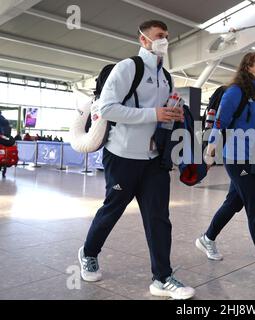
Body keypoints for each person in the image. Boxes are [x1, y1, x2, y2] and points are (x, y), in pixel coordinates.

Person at [78, 20, 195, 300]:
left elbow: (161, 115)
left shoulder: (167, 76)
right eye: (158, 36)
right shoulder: (128, 68)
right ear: (143, 40)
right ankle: (88, 252)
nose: (164, 41)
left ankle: (162, 277)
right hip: (122, 156)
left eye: (166, 37)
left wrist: (171, 115)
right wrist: (154, 114)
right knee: (112, 210)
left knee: (158, 218)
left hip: (153, 159)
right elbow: (106, 108)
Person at [196, 52, 255, 278]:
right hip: (233, 155)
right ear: (249, 67)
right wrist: (211, 149)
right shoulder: (235, 91)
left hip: (249, 155)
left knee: (233, 202)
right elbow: (221, 120)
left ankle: (207, 239)